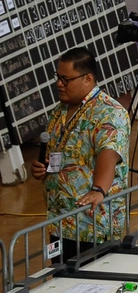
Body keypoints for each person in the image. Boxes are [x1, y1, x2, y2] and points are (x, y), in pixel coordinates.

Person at [30, 48, 130, 259]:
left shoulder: (109, 112)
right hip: (60, 221)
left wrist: (98, 190)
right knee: (60, 280)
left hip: (91, 223)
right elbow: (62, 153)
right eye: (58, 77)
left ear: (88, 79)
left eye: (66, 79)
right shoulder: (59, 111)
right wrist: (44, 167)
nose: (59, 84)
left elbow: (109, 154)